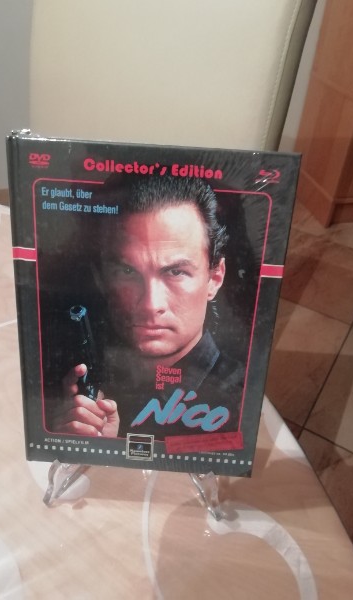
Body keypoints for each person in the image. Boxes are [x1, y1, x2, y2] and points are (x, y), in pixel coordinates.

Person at [51, 175, 244, 441]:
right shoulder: (77, 378)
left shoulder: (240, 401)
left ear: (215, 278)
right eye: (127, 271)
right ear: (101, 277)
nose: (151, 305)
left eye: (176, 272)